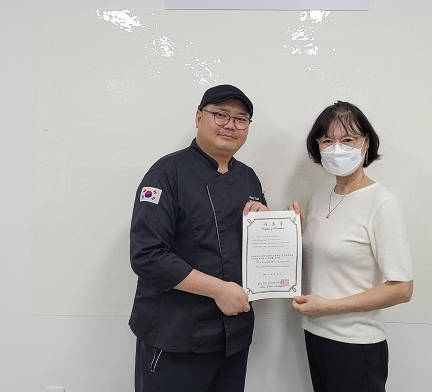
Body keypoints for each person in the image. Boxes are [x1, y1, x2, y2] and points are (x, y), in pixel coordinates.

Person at [129, 84, 268, 392]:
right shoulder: (166, 173)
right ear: (198, 117)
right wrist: (219, 289)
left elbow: (250, 249)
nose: (230, 125)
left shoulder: (248, 177)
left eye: (241, 119)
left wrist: (270, 224)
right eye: (221, 114)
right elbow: (147, 256)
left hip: (233, 335)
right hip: (176, 335)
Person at [290, 101, 413, 392]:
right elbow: (321, 260)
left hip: (356, 344)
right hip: (315, 334)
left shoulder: (382, 203)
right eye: (327, 141)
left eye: (347, 140)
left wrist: (330, 307)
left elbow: (402, 289)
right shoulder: (320, 197)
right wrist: (288, 229)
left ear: (365, 143)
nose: (337, 149)